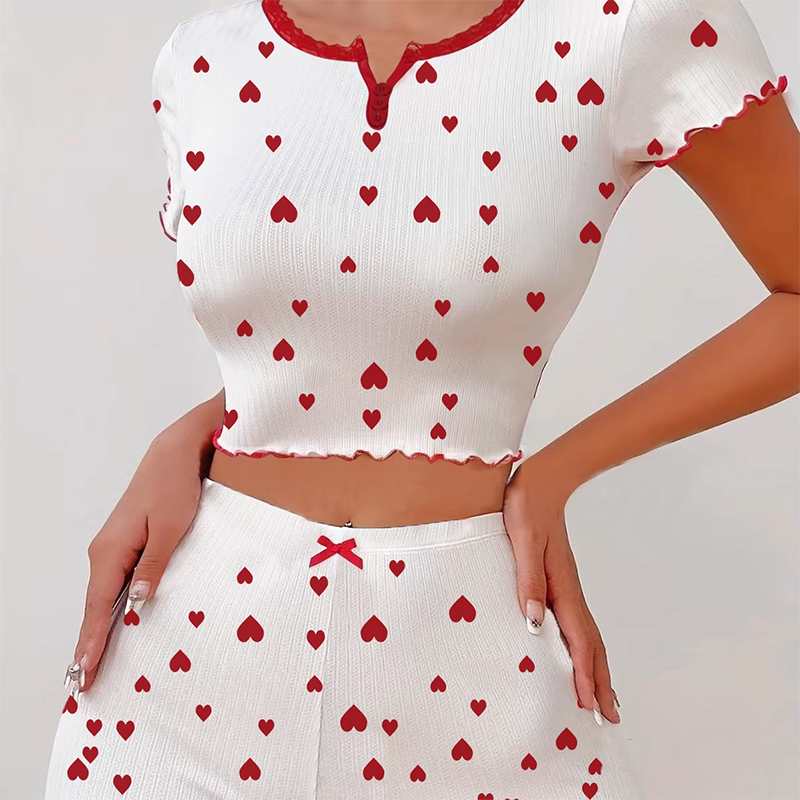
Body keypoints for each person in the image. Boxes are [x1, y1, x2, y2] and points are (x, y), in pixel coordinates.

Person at [45, 0, 796, 797]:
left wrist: (556, 473)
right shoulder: (207, 55)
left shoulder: (628, 25)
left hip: (472, 653)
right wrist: (190, 433)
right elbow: (319, 331)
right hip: (188, 663)